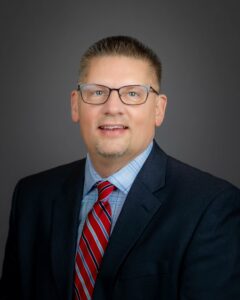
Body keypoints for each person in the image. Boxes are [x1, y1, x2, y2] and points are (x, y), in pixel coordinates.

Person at [0, 36, 240, 300]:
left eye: (133, 93)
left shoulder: (212, 207)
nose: (112, 108)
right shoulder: (32, 196)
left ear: (159, 110)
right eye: (97, 92)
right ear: (75, 104)